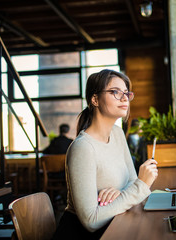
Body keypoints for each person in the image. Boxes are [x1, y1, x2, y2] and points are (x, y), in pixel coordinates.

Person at [53, 69, 158, 239]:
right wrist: (141, 186)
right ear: (95, 99)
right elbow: (91, 220)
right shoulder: (83, 148)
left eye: (126, 93)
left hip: (113, 225)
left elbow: (131, 180)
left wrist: (119, 191)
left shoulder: (117, 133)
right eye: (115, 92)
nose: (124, 98)